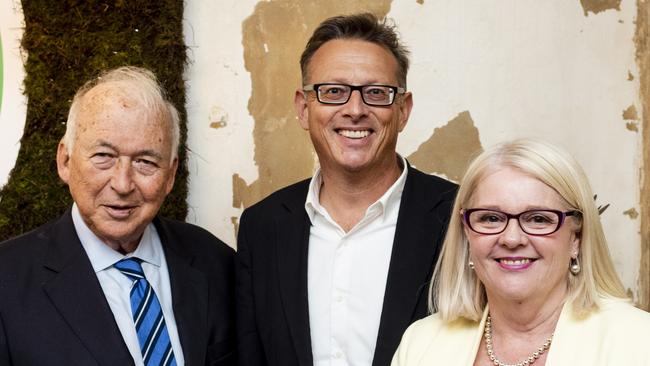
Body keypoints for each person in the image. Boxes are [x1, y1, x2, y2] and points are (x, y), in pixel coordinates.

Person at [236, 13, 457, 366]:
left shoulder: (460, 216)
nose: (355, 110)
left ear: (403, 110)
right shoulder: (262, 227)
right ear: (303, 108)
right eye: (333, 92)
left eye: (376, 93)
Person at [0, 66, 236, 366]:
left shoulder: (215, 262)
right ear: (65, 160)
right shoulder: (6, 281)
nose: (122, 184)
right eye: (103, 157)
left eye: (145, 161)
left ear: (171, 175)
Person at [392, 139, 650, 365]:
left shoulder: (639, 342)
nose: (512, 238)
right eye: (491, 218)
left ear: (576, 238)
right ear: (467, 234)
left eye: (538, 219)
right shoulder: (421, 343)